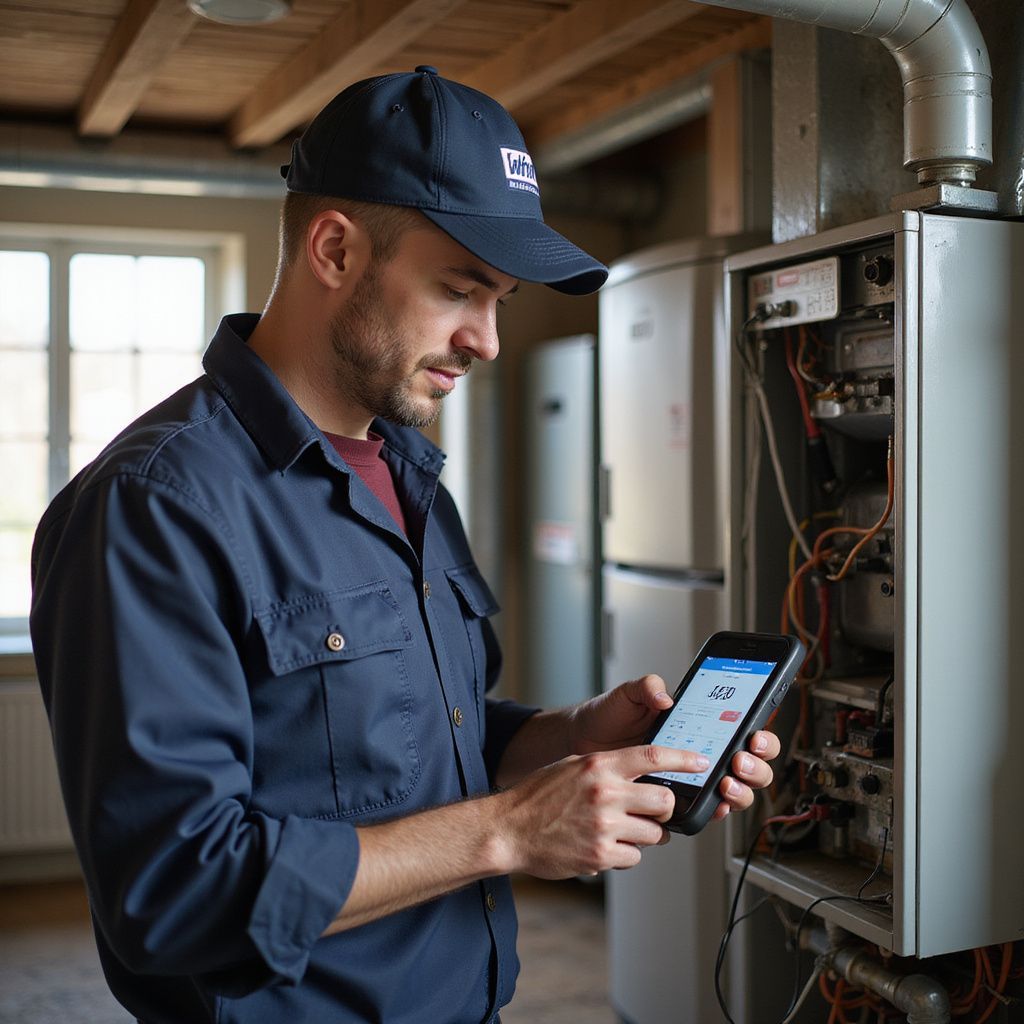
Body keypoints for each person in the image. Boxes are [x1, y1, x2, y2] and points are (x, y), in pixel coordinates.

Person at [30, 66, 780, 1024]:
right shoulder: (155, 507)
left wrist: (566, 738)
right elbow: (172, 893)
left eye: (501, 298)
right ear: (335, 249)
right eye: (461, 290)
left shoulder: (409, 473)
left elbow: (426, 743)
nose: (489, 340)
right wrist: (510, 832)